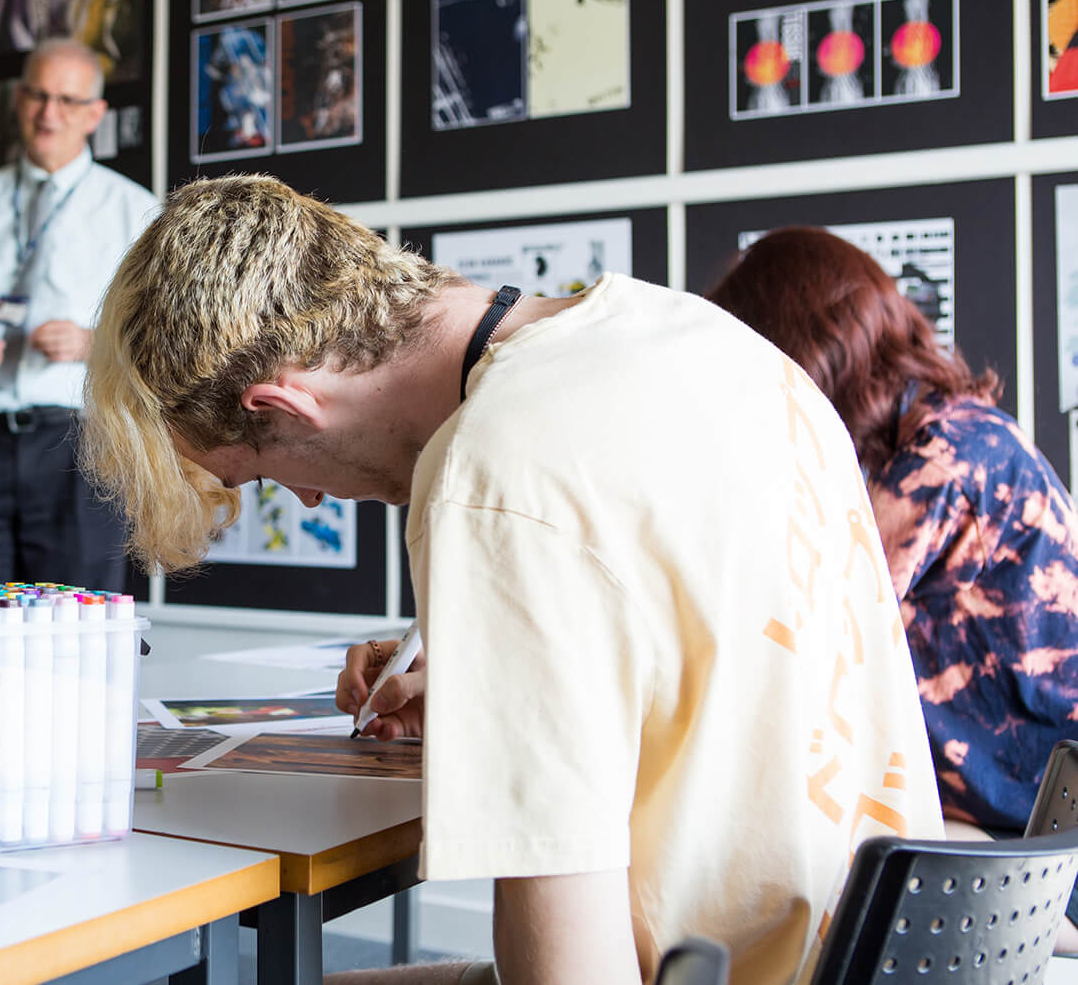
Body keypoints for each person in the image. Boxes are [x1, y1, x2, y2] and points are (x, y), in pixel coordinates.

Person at [78, 176, 942, 983]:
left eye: (265, 475)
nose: (309, 496)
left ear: (284, 406)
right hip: (890, 950)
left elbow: (569, 974)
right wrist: (499, 696)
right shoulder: (705, 341)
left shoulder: (493, 470)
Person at [707, 226, 1078, 835]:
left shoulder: (946, 454)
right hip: (1004, 825)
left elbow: (802, 634)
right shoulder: (942, 435)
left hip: (1033, 846)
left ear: (803, 355)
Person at [0, 37, 156, 589]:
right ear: (18, 100)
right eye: (38, 95)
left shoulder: (134, 210)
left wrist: (92, 343)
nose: (49, 114)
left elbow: (166, 348)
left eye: (67, 101)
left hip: (82, 446)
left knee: (76, 630)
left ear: (95, 114)